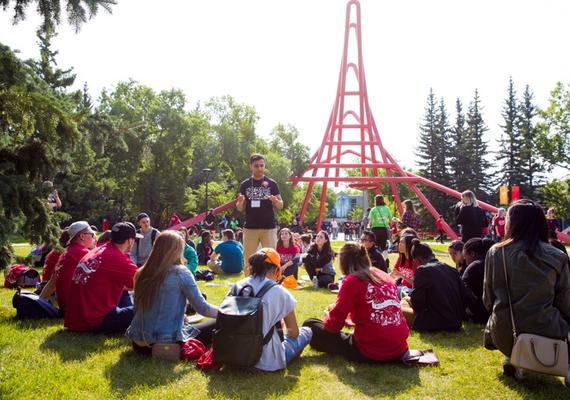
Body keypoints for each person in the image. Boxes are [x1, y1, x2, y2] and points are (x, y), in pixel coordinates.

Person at [483, 200, 570, 383]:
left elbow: (488, 299)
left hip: (505, 332)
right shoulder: (558, 256)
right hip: (547, 330)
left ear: (511, 223)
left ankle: (513, 356)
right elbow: (565, 302)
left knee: (501, 316)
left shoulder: (495, 253)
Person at [303, 243, 409, 363]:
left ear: (344, 263)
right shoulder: (384, 276)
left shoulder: (352, 281)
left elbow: (333, 326)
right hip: (399, 349)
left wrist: (329, 313)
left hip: (372, 351)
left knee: (310, 324)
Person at [126, 231, 219, 357]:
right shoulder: (180, 272)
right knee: (218, 322)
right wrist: (226, 313)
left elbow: (137, 308)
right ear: (176, 251)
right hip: (164, 345)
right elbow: (203, 309)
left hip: (138, 344)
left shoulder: (141, 272)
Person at [232, 248, 312, 371]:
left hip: (234, 354)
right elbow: (294, 333)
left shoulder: (237, 286)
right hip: (267, 361)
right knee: (306, 331)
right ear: (277, 270)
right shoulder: (279, 292)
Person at [64, 222, 141, 333]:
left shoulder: (98, 250)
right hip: (93, 322)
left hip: (76, 320)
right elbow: (146, 283)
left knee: (126, 294)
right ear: (130, 241)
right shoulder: (117, 258)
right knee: (147, 308)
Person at [400, 239, 475, 332]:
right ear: (432, 254)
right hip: (456, 320)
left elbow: (417, 304)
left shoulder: (422, 271)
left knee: (402, 305)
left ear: (417, 260)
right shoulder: (452, 270)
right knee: (407, 299)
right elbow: (466, 296)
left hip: (436, 322)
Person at [236, 154, 284, 274]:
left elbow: (280, 205)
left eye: (262, 165)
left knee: (271, 259)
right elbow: (239, 208)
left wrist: (276, 201)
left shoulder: (272, 183)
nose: (259, 168)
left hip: (268, 227)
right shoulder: (245, 184)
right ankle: (248, 286)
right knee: (249, 260)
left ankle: (272, 286)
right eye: (256, 166)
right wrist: (240, 202)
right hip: (250, 228)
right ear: (251, 167)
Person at [40, 221, 96, 312]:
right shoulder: (83, 252)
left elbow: (52, 282)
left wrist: (39, 302)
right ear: (82, 236)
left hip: (64, 305)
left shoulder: (65, 252)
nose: (94, 238)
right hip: (77, 307)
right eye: (92, 235)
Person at [461, 238, 494, 324]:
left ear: (472, 254)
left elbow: (462, 291)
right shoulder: (496, 263)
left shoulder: (474, 267)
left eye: (465, 257)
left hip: (480, 314)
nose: (465, 261)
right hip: (496, 311)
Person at [390, 230, 419, 298]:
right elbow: (393, 274)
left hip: (412, 291)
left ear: (409, 245)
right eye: (399, 242)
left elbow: (415, 283)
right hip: (402, 288)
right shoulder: (400, 259)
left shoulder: (416, 261)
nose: (399, 244)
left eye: (402, 242)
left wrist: (402, 276)